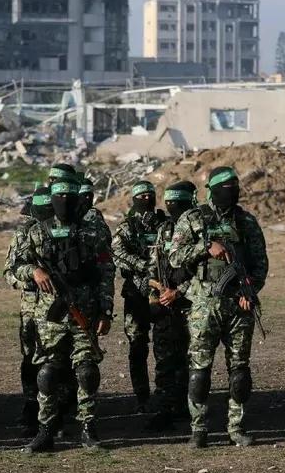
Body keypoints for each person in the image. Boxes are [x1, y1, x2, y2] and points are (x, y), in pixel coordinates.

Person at [12, 177, 114, 453]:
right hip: (50, 316)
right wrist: (33, 271)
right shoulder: (36, 233)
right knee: (48, 372)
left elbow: (106, 272)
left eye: (70, 197)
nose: (64, 203)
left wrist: (106, 310)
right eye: (59, 197)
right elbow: (14, 267)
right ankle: (45, 430)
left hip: (85, 313)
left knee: (87, 371)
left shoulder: (92, 233)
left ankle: (88, 428)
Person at [169, 167, 269, 447]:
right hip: (204, 304)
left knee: (239, 371)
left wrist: (250, 291)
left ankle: (236, 427)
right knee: (199, 371)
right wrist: (205, 247)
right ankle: (199, 428)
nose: (232, 191)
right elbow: (175, 256)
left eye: (235, 186)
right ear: (212, 189)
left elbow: (260, 263)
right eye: (226, 186)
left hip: (239, 305)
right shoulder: (193, 219)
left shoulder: (246, 222)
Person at [143, 181, 196, 432]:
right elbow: (153, 265)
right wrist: (157, 292)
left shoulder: (199, 228)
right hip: (165, 302)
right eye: (170, 202)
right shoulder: (164, 229)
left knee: (192, 358)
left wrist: (179, 292)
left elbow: (203, 271)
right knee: (165, 359)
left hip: (192, 303)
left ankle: (189, 407)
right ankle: (164, 408)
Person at [111, 181, 168, 412]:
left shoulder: (165, 224)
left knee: (165, 345)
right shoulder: (127, 226)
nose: (146, 199)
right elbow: (117, 252)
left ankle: (165, 394)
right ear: (134, 199)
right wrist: (143, 265)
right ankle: (142, 397)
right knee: (137, 346)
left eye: (149, 195)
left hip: (163, 292)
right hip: (136, 293)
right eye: (141, 195)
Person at [4, 186, 52, 437]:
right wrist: (30, 278)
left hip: (59, 306)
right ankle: (31, 405)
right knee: (31, 357)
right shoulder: (24, 233)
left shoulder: (65, 230)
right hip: (32, 308)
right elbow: (9, 272)